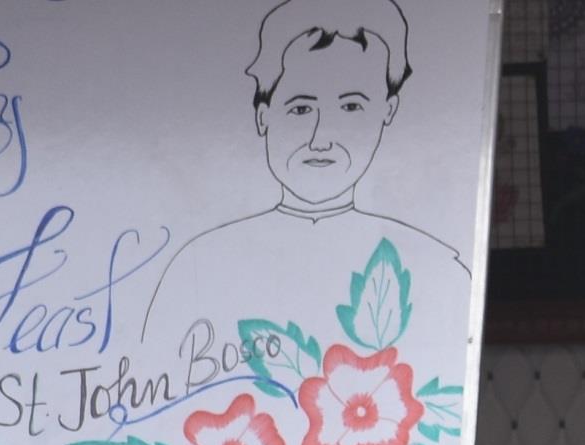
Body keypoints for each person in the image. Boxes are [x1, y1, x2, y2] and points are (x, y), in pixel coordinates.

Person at [142, 0, 474, 366]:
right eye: (300, 109)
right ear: (263, 115)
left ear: (388, 109)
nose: (321, 138)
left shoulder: (435, 270)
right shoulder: (198, 267)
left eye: (351, 107)